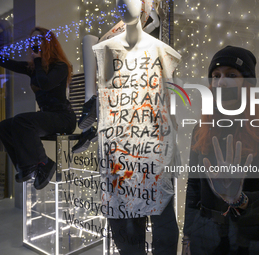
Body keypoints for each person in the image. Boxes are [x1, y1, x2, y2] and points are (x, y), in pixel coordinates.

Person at [92, 0, 181, 254]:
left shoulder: (161, 50)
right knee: (125, 228)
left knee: (163, 223)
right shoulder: (106, 48)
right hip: (118, 149)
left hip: (153, 149)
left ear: (146, 6)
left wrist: (172, 151)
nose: (125, 3)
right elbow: (102, 102)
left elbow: (170, 105)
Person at [182, 46, 259, 255]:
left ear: (247, 84)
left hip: (252, 239)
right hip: (205, 238)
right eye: (215, 76)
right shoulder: (200, 131)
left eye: (231, 75)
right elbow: (193, 189)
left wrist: (239, 198)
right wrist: (187, 238)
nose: (221, 82)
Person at [0, 27, 76, 190]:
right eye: (32, 41)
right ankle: (25, 166)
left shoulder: (60, 66)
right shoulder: (33, 68)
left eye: (38, 40)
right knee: (4, 127)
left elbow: (45, 84)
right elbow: (8, 63)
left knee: (22, 121)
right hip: (48, 117)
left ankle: (44, 163)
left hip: (63, 118)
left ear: (47, 42)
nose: (34, 43)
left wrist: (38, 60)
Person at [71, 0, 161, 153]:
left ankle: (90, 114)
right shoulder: (131, 16)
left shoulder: (147, 7)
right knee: (89, 40)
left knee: (96, 45)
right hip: (118, 47)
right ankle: (90, 105)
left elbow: (154, 22)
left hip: (127, 49)